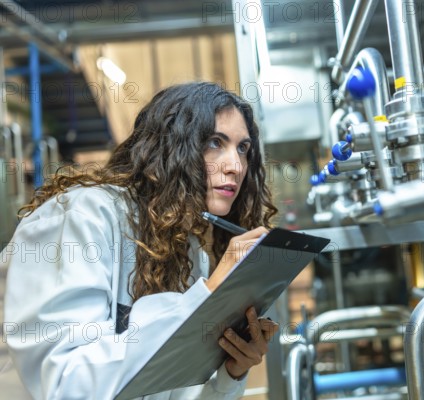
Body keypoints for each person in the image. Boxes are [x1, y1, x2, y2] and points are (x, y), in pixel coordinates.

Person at [2, 81, 279, 399]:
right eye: (215, 142)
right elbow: (66, 385)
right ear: (171, 147)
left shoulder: (187, 250)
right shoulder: (81, 216)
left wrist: (233, 371)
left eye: (242, 148)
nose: (235, 166)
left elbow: (175, 392)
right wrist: (206, 297)